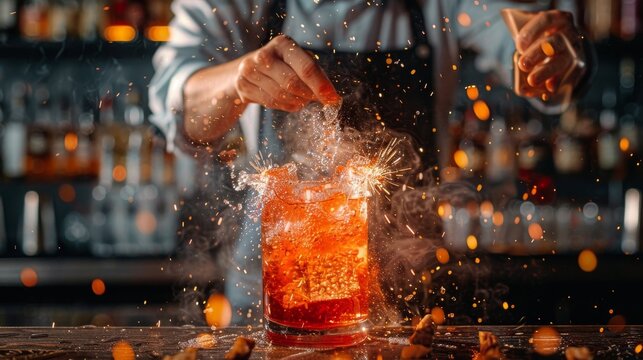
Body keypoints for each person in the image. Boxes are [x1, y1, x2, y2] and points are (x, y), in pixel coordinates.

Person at [149, 0, 593, 324]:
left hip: (412, 289)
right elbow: (174, 99)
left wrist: (554, 55)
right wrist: (236, 80)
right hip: (273, 300)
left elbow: (522, 35)